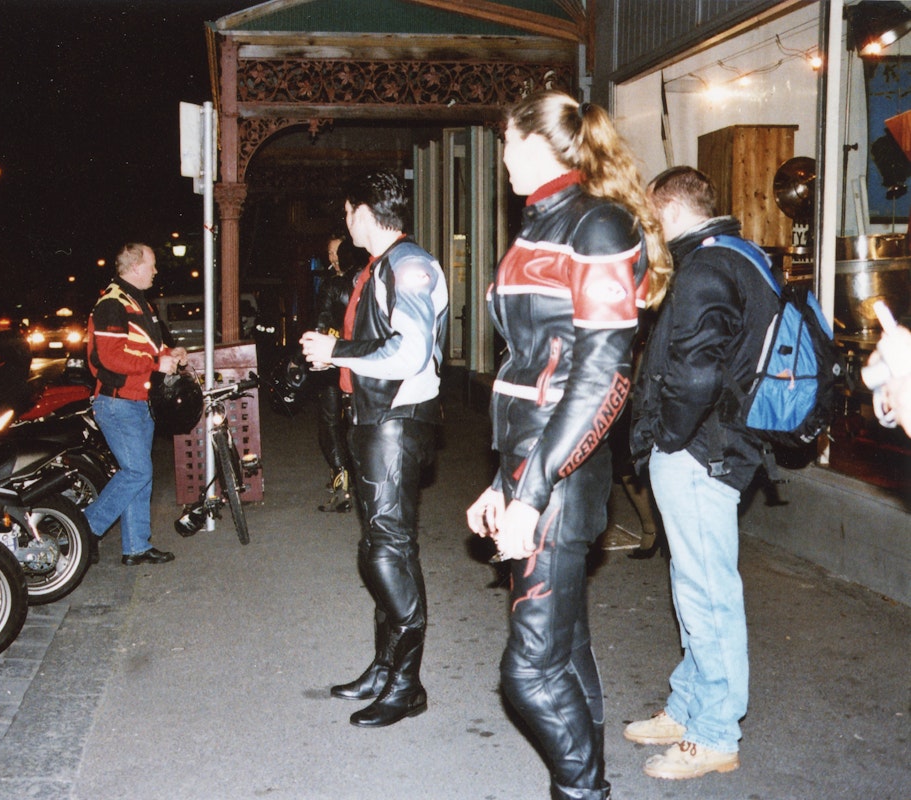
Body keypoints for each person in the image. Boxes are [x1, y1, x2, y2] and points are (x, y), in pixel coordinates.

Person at [464, 91, 670, 800]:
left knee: (528, 672)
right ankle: (585, 787)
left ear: (544, 145)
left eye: (507, 143)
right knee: (564, 650)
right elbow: (528, 367)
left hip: (558, 472)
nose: (502, 159)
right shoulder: (540, 222)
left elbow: (603, 376)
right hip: (530, 465)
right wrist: (501, 480)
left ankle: (584, 793)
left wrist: (530, 489)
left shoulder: (599, 225)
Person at [626, 166, 779, 781]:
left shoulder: (704, 269)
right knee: (695, 585)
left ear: (668, 212)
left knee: (709, 594)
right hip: (722, 446)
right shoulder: (741, 255)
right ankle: (689, 706)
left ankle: (715, 732)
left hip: (700, 452)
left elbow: (695, 374)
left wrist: (667, 438)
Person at [300, 171, 448, 728]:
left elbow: (408, 352)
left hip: (396, 421)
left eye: (347, 212)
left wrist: (338, 349)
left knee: (388, 552)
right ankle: (386, 670)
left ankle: (407, 684)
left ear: (363, 211)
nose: (345, 222)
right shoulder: (380, 266)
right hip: (376, 418)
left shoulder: (407, 266)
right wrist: (338, 355)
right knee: (379, 549)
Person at [84, 243, 188, 566]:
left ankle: (137, 547)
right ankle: (85, 530)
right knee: (138, 471)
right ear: (134, 266)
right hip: (117, 403)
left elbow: (150, 348)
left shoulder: (138, 302)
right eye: (152, 264)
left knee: (141, 473)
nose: (156, 271)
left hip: (139, 401)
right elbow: (111, 358)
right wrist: (157, 364)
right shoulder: (112, 304)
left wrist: (172, 355)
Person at [311, 235, 369, 512]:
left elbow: (321, 323)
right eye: (329, 253)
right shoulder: (367, 280)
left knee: (331, 420)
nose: (333, 258)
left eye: (336, 253)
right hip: (363, 362)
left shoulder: (332, 285)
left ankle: (340, 479)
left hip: (334, 360)